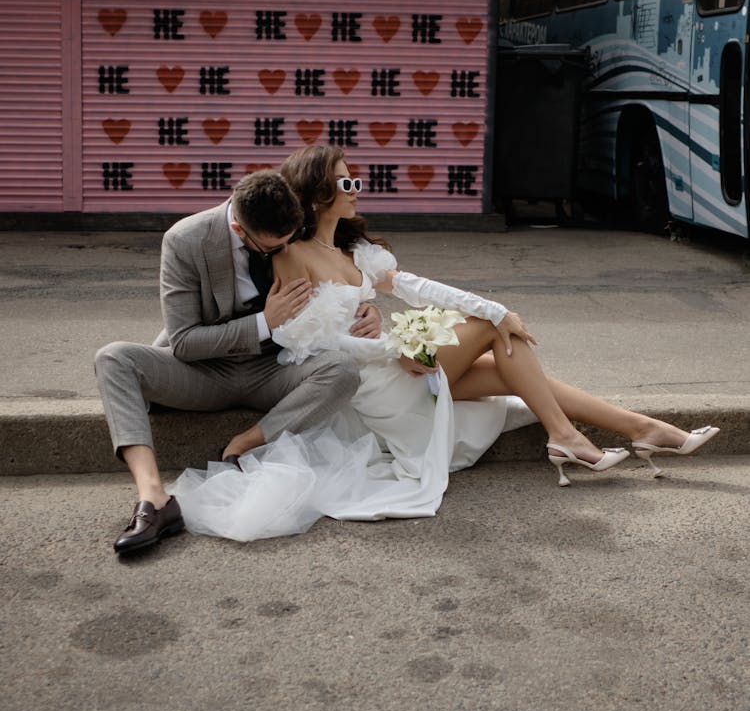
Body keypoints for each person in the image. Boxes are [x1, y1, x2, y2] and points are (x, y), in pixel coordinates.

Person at [168, 145, 718, 542]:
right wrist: (384, 339)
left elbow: (417, 286)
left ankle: (633, 430)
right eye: (348, 182)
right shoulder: (292, 255)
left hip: (391, 366)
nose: (358, 188)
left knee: (509, 360)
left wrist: (469, 314)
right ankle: (574, 435)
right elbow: (296, 340)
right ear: (317, 196)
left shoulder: (356, 255)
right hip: (372, 383)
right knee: (490, 329)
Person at [95, 169, 381, 555]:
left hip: (274, 370)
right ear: (239, 228)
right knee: (113, 358)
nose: (282, 253)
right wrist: (266, 321)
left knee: (342, 370)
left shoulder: (290, 228)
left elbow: (338, 284)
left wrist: (365, 312)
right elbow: (183, 342)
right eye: (270, 248)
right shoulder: (185, 239)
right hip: (205, 371)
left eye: (287, 242)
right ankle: (154, 499)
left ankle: (248, 442)